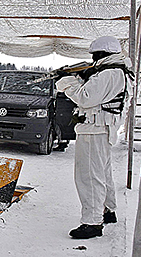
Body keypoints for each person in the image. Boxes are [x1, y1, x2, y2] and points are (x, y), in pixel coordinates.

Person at [55, 36, 134, 239]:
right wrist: (84, 76)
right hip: (102, 129)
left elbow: (85, 98)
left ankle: (92, 222)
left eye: (95, 55)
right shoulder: (118, 71)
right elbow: (98, 94)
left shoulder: (109, 73)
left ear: (103, 55)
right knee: (103, 173)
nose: (93, 59)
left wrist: (66, 81)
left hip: (94, 129)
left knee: (89, 177)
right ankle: (108, 210)